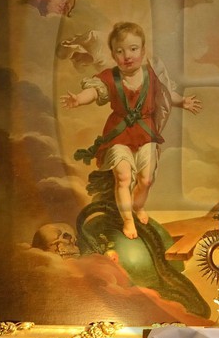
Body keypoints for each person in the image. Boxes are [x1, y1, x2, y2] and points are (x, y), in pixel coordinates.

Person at [62, 20, 200, 240]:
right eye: (120, 51)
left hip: (146, 133)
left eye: (133, 49)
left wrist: (182, 102)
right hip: (119, 134)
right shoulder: (110, 76)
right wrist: (79, 99)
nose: (127, 56)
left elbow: (165, 95)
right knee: (124, 177)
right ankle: (127, 220)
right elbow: (96, 92)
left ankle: (137, 207)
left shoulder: (152, 75)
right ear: (113, 55)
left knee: (145, 180)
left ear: (143, 51)